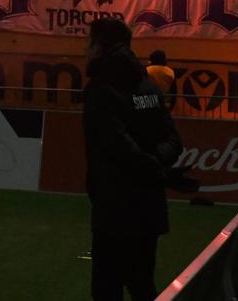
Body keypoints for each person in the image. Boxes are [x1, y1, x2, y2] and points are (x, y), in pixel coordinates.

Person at [84, 18, 184, 301]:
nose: (86, 51)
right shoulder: (149, 88)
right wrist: (159, 167)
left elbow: (118, 147)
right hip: (149, 206)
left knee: (107, 289)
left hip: (114, 208)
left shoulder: (100, 89)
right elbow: (174, 140)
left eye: (89, 44)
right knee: (142, 284)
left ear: (101, 48)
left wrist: (153, 167)